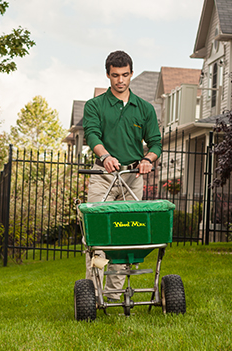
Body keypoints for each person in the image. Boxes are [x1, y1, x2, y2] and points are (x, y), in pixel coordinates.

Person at [82, 50, 162, 301]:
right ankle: (93, 294)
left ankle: (115, 295)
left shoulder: (144, 108)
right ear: (107, 75)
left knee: (125, 235)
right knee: (97, 237)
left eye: (125, 75)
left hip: (131, 176)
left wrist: (148, 159)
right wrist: (105, 156)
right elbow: (92, 134)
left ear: (131, 74)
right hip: (103, 176)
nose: (120, 80)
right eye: (115, 75)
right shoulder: (95, 105)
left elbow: (156, 142)